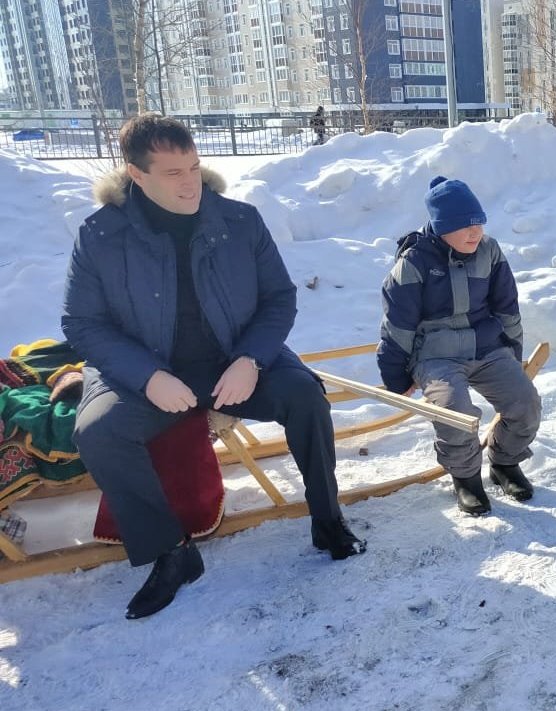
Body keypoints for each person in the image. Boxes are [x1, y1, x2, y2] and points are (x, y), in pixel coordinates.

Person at [62, 114, 365, 620]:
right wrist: (147, 377)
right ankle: (172, 553)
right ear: (137, 175)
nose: (190, 183)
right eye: (173, 173)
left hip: (234, 358)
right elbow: (83, 323)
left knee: (306, 397)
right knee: (98, 432)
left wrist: (251, 359)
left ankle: (328, 519)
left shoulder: (239, 221)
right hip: (149, 369)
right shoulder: (101, 235)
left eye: (194, 167)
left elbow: (279, 299)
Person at [377, 176, 541, 515]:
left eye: (479, 223)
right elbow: (397, 326)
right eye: (465, 225)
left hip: (486, 347)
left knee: (525, 402)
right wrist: (395, 377)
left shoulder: (489, 251)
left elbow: (507, 307)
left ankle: (505, 462)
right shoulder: (414, 262)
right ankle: (466, 478)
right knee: (456, 413)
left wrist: (513, 354)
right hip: (436, 355)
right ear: (441, 228)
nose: (475, 232)